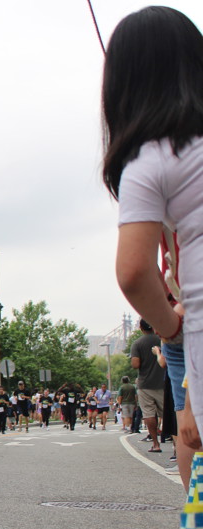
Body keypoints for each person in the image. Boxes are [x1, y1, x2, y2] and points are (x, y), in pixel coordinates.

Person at [104, 7, 203, 481]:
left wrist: (170, 327)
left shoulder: (152, 159)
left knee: (192, 439)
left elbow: (133, 272)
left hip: (194, 321)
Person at [129, 320, 167, 452]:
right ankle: (176, 446)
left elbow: (135, 364)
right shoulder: (162, 340)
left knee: (149, 414)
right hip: (163, 383)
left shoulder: (137, 343)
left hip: (145, 384)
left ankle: (155, 444)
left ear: (141, 327)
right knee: (168, 414)